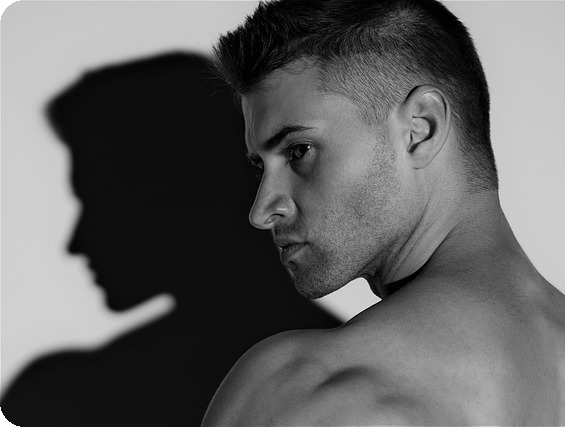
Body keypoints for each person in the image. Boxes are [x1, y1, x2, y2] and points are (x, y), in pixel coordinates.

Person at [200, 0, 565, 425]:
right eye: (259, 167)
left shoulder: (305, 389)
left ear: (420, 129)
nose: (262, 210)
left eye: (299, 151)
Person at [0, 52, 341, 427]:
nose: (76, 243)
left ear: (188, 196)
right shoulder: (364, 376)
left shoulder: (63, 397)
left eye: (100, 202)